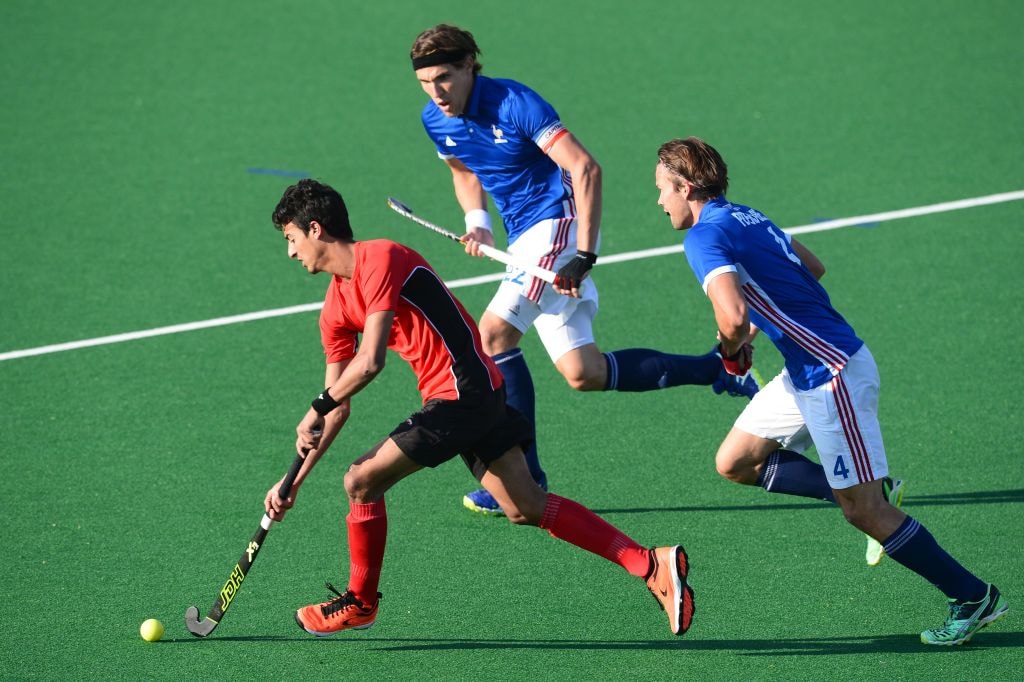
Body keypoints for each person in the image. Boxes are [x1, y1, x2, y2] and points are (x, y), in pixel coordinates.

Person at [262, 178, 694, 637]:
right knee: (525, 506)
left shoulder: (380, 258)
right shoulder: (334, 309)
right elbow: (336, 407)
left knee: (360, 480)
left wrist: (318, 404)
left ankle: (361, 602)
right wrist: (292, 482)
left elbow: (369, 363)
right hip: (471, 394)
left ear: (315, 229)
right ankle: (649, 563)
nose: (290, 252)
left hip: (462, 391)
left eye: (291, 238)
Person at [653, 136, 1008, 646]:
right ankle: (874, 487)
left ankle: (973, 596)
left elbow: (731, 316)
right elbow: (813, 267)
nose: (659, 201)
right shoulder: (748, 216)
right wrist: (757, 331)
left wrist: (732, 351)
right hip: (805, 370)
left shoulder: (702, 237)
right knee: (735, 461)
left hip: (831, 374)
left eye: (662, 189)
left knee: (863, 512)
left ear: (685, 187)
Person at [410, 24, 759, 516]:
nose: (436, 92)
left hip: (559, 223)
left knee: (493, 336)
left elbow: (585, 167)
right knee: (584, 371)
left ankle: (524, 479)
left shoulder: (515, 103)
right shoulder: (435, 119)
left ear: (470, 65)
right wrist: (478, 224)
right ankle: (715, 369)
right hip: (521, 234)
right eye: (425, 82)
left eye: (444, 77)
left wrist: (585, 253)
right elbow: (463, 169)